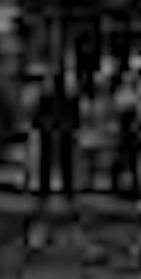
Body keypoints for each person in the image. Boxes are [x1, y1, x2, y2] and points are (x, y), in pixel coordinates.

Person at [32, 67, 83, 207]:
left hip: (60, 121)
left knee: (63, 155)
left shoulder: (66, 83)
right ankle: (48, 189)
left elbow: (72, 107)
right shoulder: (54, 84)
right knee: (50, 155)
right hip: (54, 122)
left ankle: (64, 189)